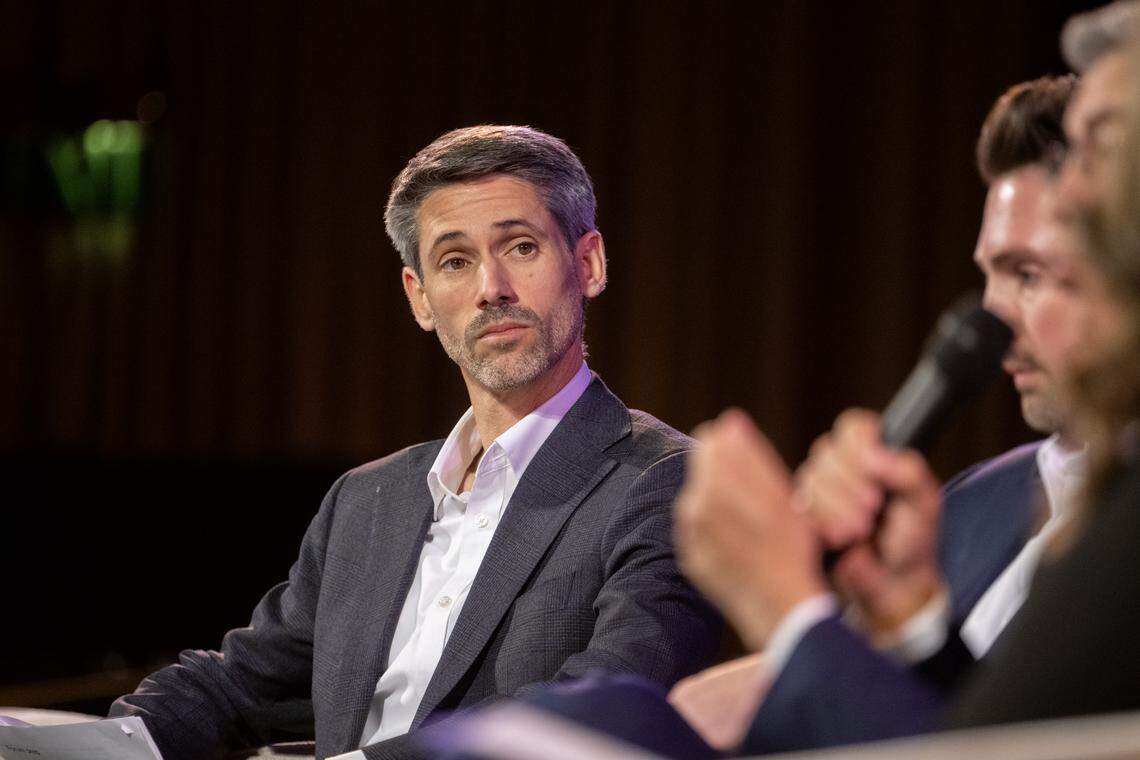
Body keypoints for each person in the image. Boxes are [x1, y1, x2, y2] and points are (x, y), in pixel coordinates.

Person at [109, 125, 721, 760]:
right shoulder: (366, 498)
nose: (492, 289)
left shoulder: (664, 480)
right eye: (455, 261)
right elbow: (241, 686)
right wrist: (96, 743)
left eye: (520, 247)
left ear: (587, 263)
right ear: (420, 297)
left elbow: (610, 706)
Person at [677, 8, 1140, 754]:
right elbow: (1011, 737)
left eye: (1035, 272)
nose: (992, 320)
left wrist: (789, 613)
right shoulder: (976, 506)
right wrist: (910, 621)